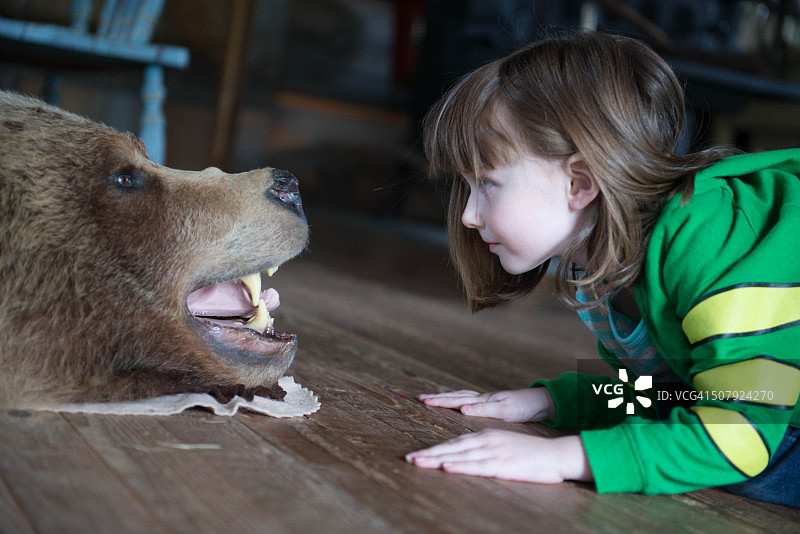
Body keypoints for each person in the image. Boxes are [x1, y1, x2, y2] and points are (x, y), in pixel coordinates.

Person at [403, 30, 800, 507]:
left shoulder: (709, 240)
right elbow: (668, 392)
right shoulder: (592, 269)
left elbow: (743, 431)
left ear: (580, 183)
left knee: (737, 466)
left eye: (487, 183)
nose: (468, 216)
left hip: (770, 418)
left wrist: (562, 458)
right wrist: (556, 401)